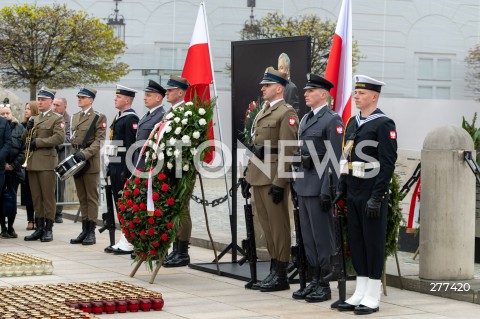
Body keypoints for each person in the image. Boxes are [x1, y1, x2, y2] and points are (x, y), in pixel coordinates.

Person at [334, 75, 397, 315]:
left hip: (372, 190)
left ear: (374, 96)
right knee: (357, 242)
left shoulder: (384, 124)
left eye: (361, 93)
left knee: (373, 243)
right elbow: (346, 157)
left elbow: (388, 163)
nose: (357, 96)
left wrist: (378, 196)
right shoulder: (353, 122)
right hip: (354, 190)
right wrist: (342, 186)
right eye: (356, 92)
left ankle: (373, 294)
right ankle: (360, 291)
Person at [245, 66, 299, 291]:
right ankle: (273, 270)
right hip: (258, 175)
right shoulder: (265, 111)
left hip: (273, 177)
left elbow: (288, 150)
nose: (263, 89)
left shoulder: (286, 113)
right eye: (263, 86)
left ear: (279, 88)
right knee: (267, 227)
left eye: (267, 86)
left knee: (279, 227)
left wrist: (280, 182)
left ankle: (281, 274)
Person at [291, 74, 344, 302]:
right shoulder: (305, 120)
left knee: (322, 238)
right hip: (303, 185)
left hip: (319, 187)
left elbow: (334, 158)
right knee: (309, 238)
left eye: (310, 91)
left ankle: (324, 284)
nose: (305, 94)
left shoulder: (332, 120)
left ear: (323, 94)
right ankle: (314, 280)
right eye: (305, 91)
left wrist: (327, 189)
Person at [23, 87, 65, 242]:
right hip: (33, 162)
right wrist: (26, 130)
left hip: (47, 162)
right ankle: (39, 227)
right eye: (38, 99)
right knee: (36, 197)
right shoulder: (35, 118)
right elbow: (25, 140)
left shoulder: (56, 118)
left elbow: (59, 139)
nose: (39, 102)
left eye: (42, 99)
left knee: (47, 197)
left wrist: (38, 142)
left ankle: (48, 228)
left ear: (50, 101)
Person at [162, 75, 195, 268]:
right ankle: (175, 248)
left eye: (170, 90)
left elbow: (189, 141)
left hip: (182, 168)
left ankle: (182, 251)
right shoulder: (171, 112)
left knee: (182, 209)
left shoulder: (187, 112)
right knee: (174, 207)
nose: (167, 92)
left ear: (181, 92)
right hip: (168, 167)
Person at [104, 84, 139, 254]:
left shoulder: (131, 120)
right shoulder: (119, 117)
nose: (114, 99)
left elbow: (132, 148)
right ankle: (124, 238)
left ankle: (129, 240)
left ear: (127, 100)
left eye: (118, 97)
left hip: (123, 169)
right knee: (119, 205)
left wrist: (127, 171)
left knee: (125, 205)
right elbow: (115, 144)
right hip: (116, 166)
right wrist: (110, 165)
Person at [69, 87, 107, 245]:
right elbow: (73, 139)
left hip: (89, 161)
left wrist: (84, 154)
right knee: (82, 197)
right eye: (79, 97)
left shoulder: (98, 117)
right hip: (77, 162)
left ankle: (91, 231)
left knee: (91, 198)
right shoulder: (76, 116)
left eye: (83, 97)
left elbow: (99, 141)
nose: (79, 99)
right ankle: (84, 229)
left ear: (91, 100)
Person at [0, 106, 25, 238]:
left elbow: (23, 149)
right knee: (1, 200)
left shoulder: (19, 128)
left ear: (11, 114)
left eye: (7, 113)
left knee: (12, 199)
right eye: (2, 113)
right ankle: (3, 227)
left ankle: (11, 226)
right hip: (1, 169)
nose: (5, 115)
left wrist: (13, 165)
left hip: (14, 170)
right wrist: (3, 164)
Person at [134, 79, 166, 170]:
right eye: (145, 95)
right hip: (138, 162)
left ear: (158, 98)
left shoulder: (161, 116)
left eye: (148, 95)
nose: (144, 98)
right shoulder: (146, 116)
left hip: (148, 164)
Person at [53, 97, 71, 223]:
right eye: (54, 105)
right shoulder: (51, 117)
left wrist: (54, 142)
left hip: (61, 156)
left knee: (60, 186)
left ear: (65, 106)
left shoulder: (68, 119)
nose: (55, 107)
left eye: (58, 105)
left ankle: (58, 212)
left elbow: (69, 138)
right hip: (49, 156)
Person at [21, 101, 39, 231]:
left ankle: (38, 219)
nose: (26, 111)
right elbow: (22, 140)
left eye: (29, 109)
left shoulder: (38, 123)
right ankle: (30, 219)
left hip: (36, 160)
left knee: (37, 193)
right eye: (25, 109)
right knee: (27, 192)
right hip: (25, 161)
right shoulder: (23, 125)